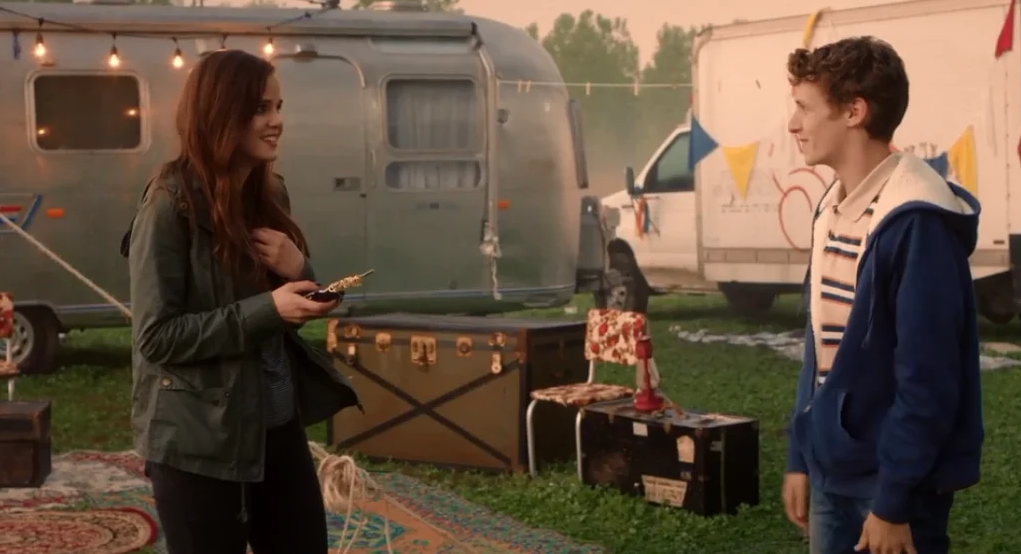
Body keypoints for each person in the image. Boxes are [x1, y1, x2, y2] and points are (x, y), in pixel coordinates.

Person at [124, 49, 360, 554]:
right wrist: (269, 310)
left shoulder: (269, 193)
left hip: (276, 429)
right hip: (198, 444)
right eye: (259, 108)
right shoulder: (169, 205)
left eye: (278, 106)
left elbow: (283, 312)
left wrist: (303, 274)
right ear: (219, 113)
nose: (276, 121)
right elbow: (156, 337)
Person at [781, 36, 984, 554]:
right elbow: (819, 348)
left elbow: (928, 380)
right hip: (831, 472)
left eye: (805, 108)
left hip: (893, 491)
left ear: (854, 111)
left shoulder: (916, 223)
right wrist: (801, 456)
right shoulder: (831, 208)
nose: (793, 124)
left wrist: (894, 500)